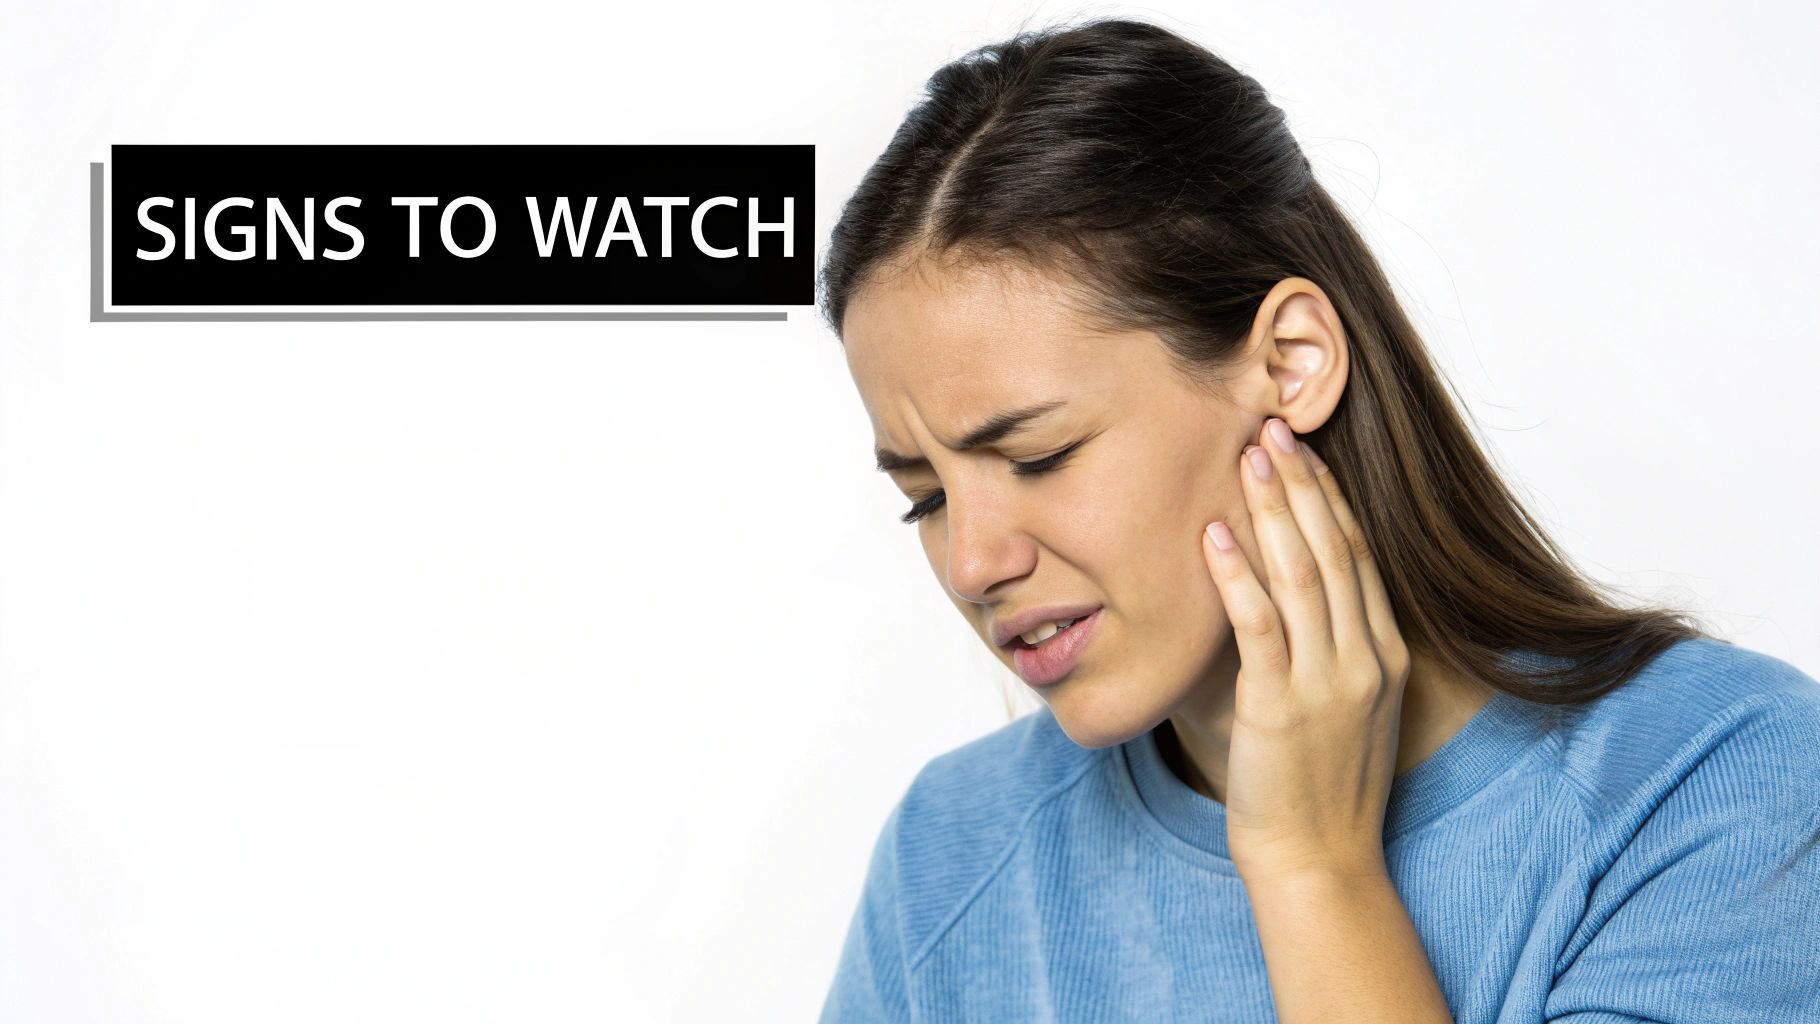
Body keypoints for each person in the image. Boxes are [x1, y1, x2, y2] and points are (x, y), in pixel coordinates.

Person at [814, 17, 1820, 1024]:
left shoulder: (1713, 784)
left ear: (1290, 363)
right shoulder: (948, 858)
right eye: (926, 498)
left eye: (1038, 456)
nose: (974, 561)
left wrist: (1313, 872)